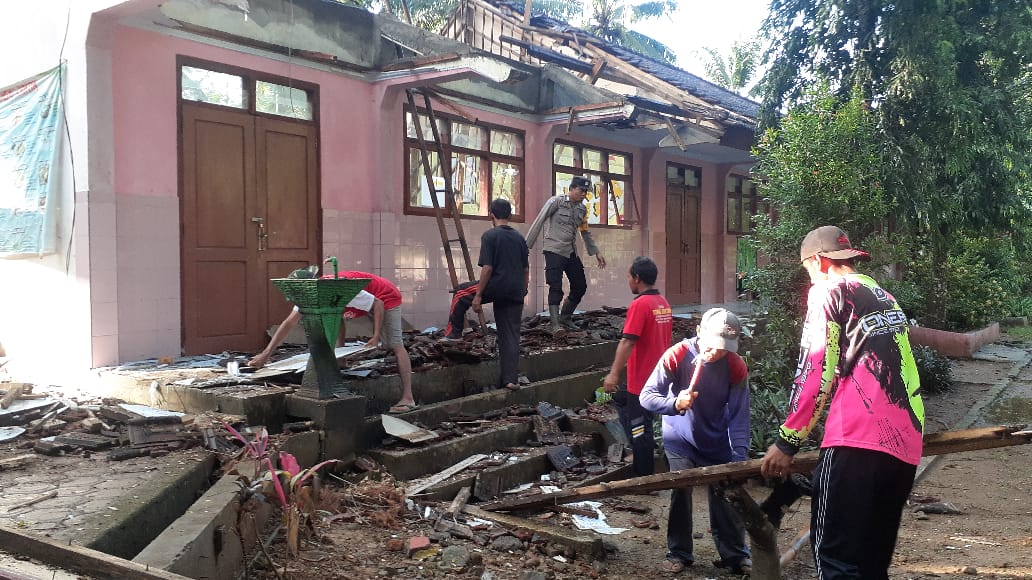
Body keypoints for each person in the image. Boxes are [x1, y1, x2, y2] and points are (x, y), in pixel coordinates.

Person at [760, 226, 924, 580]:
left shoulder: (828, 291)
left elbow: (816, 370)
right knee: (872, 564)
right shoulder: (883, 296)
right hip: (906, 443)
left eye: (807, 269)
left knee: (835, 561)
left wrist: (787, 441)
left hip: (857, 438)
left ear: (818, 261)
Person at [640, 308, 751, 575]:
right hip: (679, 437)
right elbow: (647, 396)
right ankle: (679, 552)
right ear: (699, 332)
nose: (716, 352)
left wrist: (739, 457)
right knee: (681, 489)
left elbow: (739, 415)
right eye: (712, 345)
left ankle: (735, 555)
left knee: (726, 492)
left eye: (724, 348)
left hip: (717, 440)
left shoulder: (735, 365)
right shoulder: (678, 355)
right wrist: (675, 403)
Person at [248, 270, 417, 414]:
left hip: (385, 296)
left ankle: (408, 398)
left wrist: (376, 335)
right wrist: (266, 354)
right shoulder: (308, 294)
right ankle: (342, 361)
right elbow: (289, 323)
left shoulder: (338, 288)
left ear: (310, 285)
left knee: (394, 344)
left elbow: (378, 304)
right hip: (367, 299)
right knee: (336, 311)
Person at [443, 199, 529, 390]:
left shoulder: (490, 236)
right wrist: (524, 289)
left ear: (491, 215)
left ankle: (453, 334)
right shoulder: (519, 238)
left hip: (497, 286)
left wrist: (479, 295)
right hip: (516, 290)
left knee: (460, 293)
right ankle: (510, 380)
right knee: (510, 335)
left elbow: (488, 268)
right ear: (510, 215)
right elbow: (525, 269)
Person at [602, 256, 673, 477]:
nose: (628, 281)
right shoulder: (663, 303)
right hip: (659, 375)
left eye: (629, 277)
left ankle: (644, 478)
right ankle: (640, 449)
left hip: (642, 381)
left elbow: (628, 341)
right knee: (620, 400)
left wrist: (613, 374)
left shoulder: (640, 304)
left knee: (641, 427)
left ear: (637, 278)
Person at [525, 175, 606, 333]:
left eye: (586, 192)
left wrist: (596, 252)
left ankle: (565, 317)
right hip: (554, 250)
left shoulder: (582, 209)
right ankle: (555, 325)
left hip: (570, 252)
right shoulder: (556, 202)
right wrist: (525, 246)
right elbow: (540, 220)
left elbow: (585, 232)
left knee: (580, 285)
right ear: (572, 188)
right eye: (581, 190)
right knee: (555, 287)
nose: (584, 194)